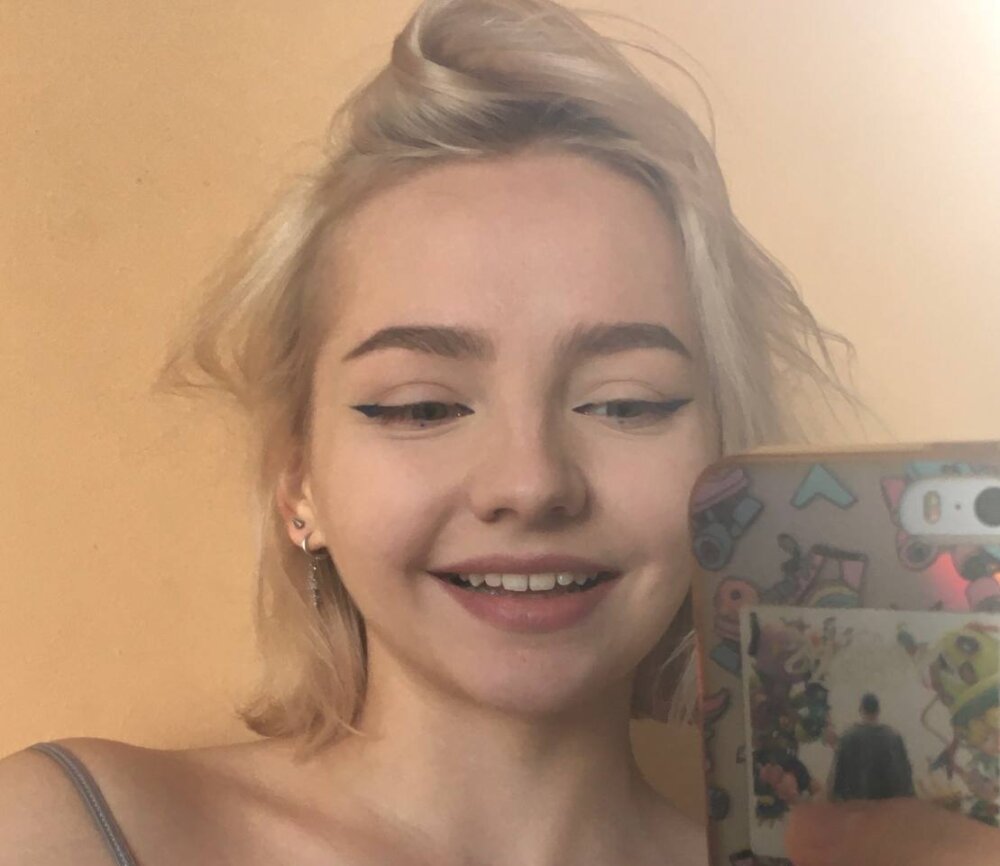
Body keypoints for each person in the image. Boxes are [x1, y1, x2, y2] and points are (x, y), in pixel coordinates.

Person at [0, 1, 995, 865]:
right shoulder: (62, 831)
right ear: (297, 483)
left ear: (721, 476)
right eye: (420, 406)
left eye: (627, 402)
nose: (530, 481)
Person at [828, 693, 916, 802]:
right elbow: (905, 775)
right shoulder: (893, 737)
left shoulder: (847, 737)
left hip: (856, 804)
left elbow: (837, 777)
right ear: (878, 710)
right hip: (887, 804)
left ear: (861, 710)